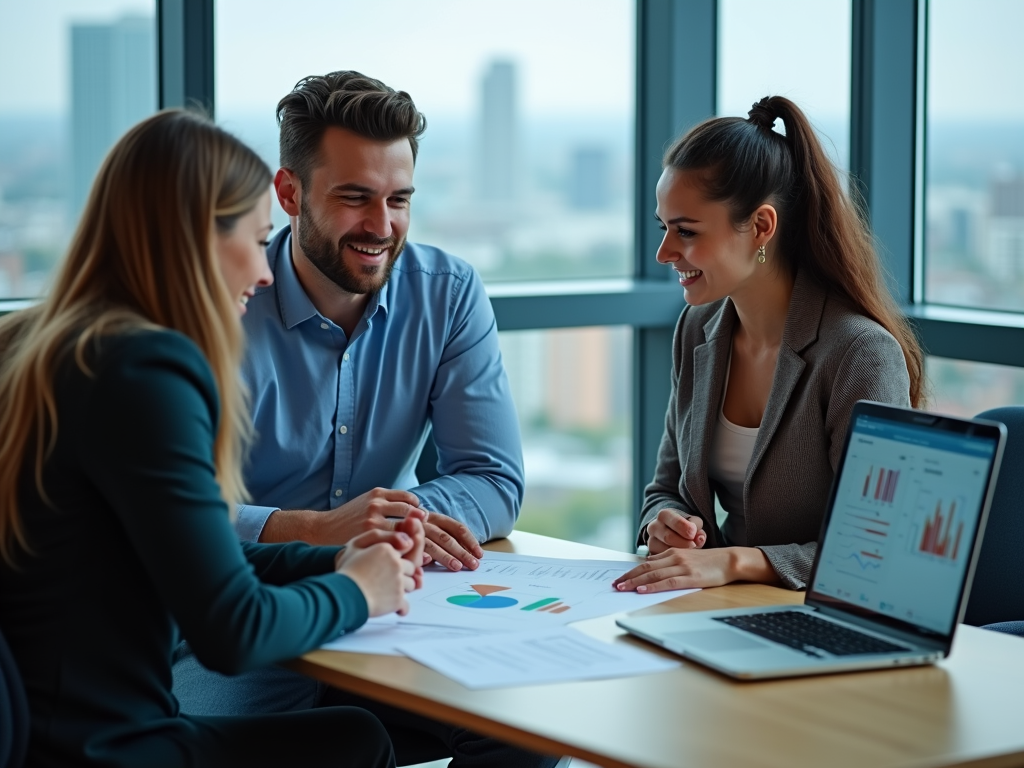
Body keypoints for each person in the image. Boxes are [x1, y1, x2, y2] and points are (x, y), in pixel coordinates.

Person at [0, 109, 426, 768]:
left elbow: (197, 559)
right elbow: (231, 628)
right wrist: (359, 593)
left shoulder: (33, 344)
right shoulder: (145, 371)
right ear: (197, 238)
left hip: (40, 733)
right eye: (258, 241)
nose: (263, 273)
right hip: (109, 748)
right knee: (357, 739)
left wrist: (338, 559)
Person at [171, 72, 558, 767]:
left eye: (399, 199)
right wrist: (307, 530)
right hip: (242, 603)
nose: (382, 226)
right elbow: (175, 510)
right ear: (290, 194)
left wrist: (389, 516)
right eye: (355, 198)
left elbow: (493, 479)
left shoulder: (448, 294)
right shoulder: (224, 298)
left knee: (525, 725)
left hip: (387, 600)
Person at [612, 96, 925, 595]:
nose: (664, 252)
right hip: (725, 607)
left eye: (686, 231)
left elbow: (876, 550)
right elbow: (665, 488)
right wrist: (664, 523)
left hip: (824, 617)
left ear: (760, 226)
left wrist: (736, 561)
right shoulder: (698, 328)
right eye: (663, 227)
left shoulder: (859, 354)